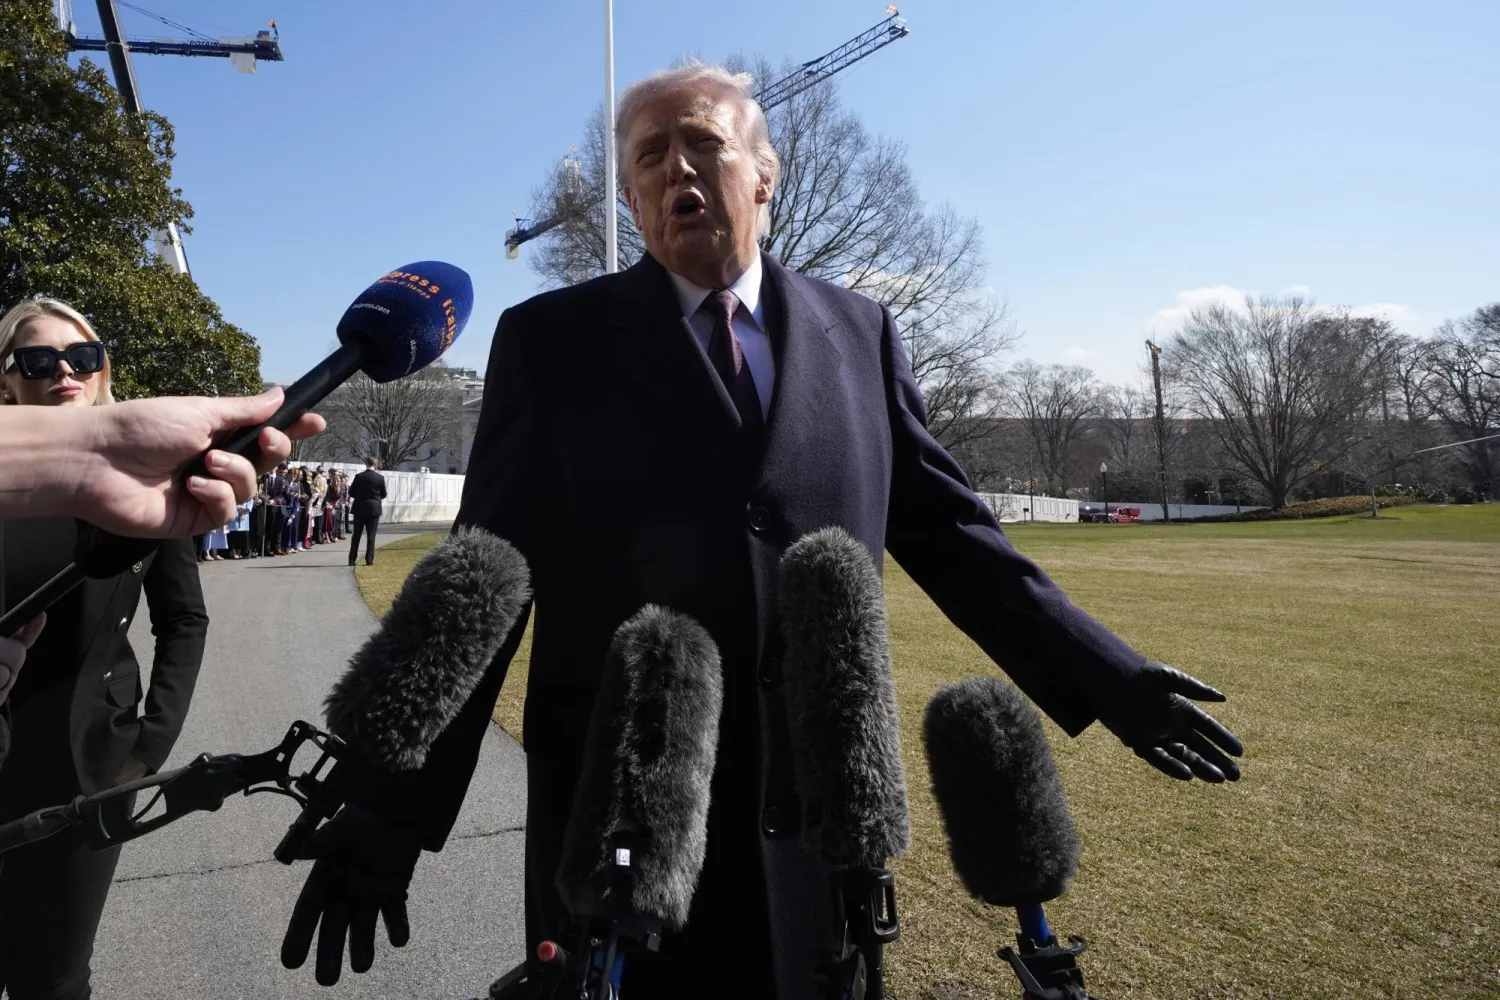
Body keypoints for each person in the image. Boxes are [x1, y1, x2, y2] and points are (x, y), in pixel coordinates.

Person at [280, 63, 1243, 997]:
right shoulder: (550, 343)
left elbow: (956, 538)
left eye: (704, 143)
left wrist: (1108, 677)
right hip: (626, 823)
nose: (677, 171)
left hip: (821, 829)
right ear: (630, 197)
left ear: (765, 173)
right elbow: (487, 578)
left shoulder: (859, 332)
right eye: (651, 157)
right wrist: (390, 808)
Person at [0, 294, 209, 998]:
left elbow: (184, 620)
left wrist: (147, 749)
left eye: (81, 357)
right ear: (8, 381)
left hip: (87, 767)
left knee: (53, 977)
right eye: (38, 359)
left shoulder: (149, 484)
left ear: (100, 371)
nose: (63, 370)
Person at [346, 458, 386, 567]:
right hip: (374, 508)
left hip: (360, 507)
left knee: (356, 535)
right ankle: (369, 559)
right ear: (375, 464)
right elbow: (384, 494)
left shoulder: (359, 476)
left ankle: (352, 559)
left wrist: (360, 497)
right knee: (371, 536)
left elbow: (351, 492)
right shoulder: (380, 478)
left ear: (366, 464)